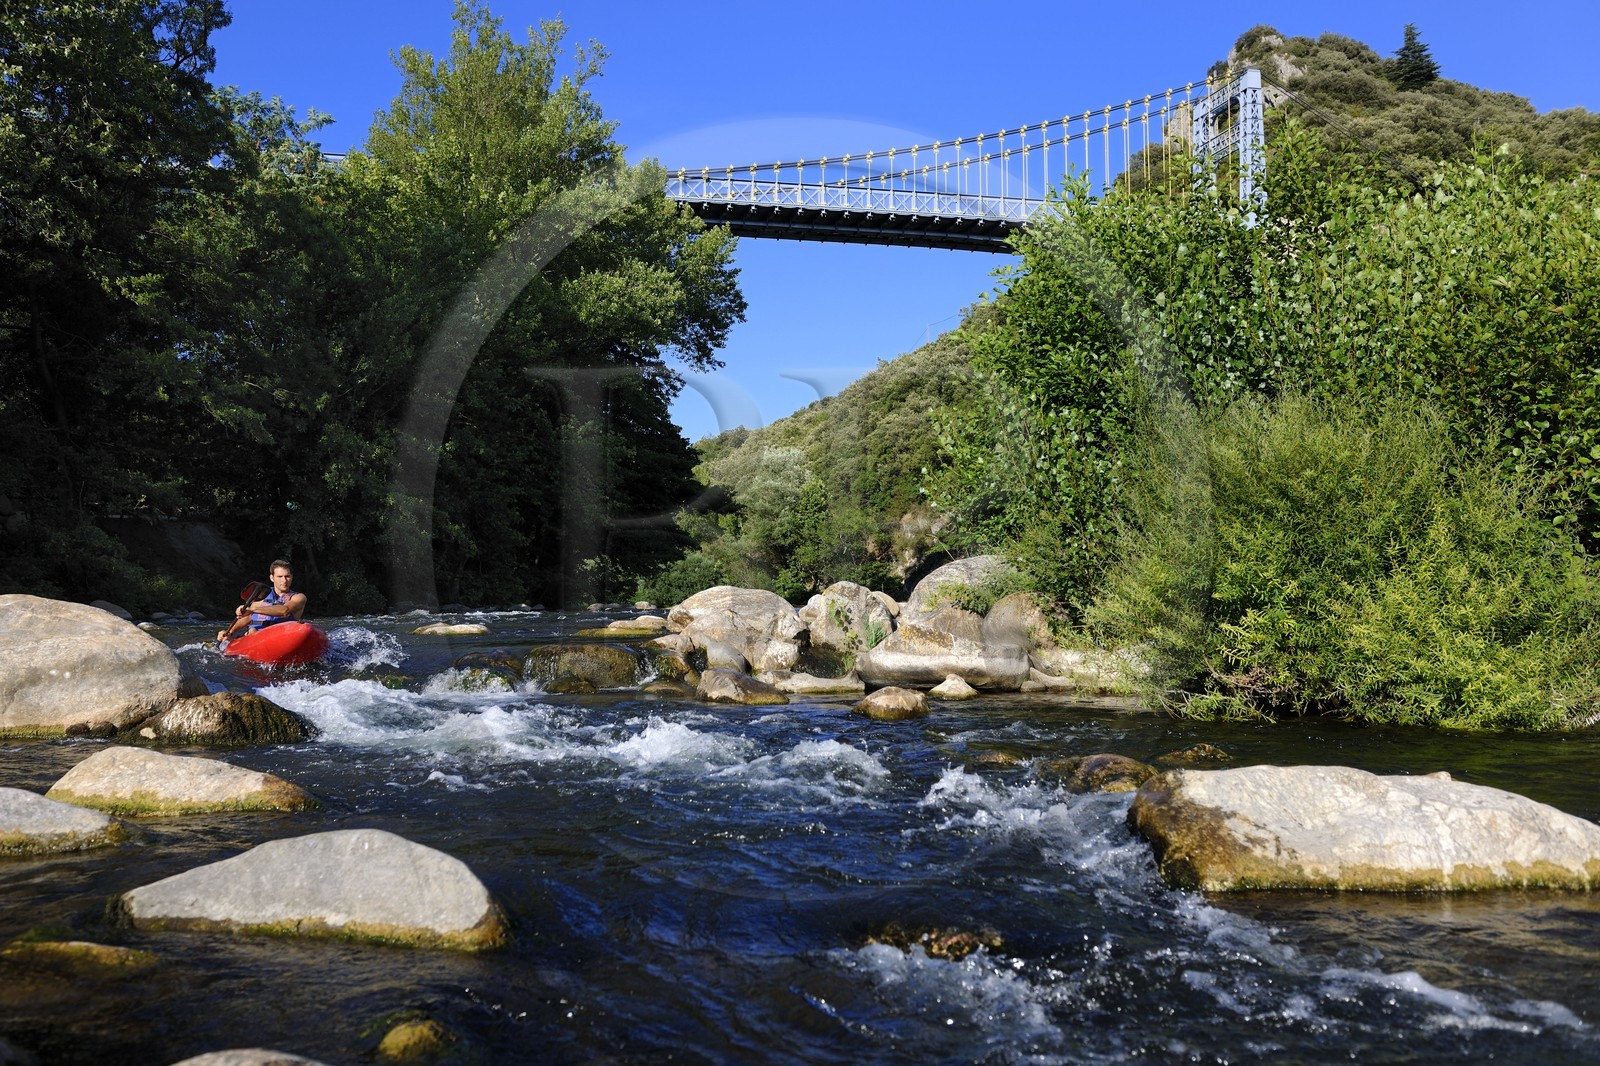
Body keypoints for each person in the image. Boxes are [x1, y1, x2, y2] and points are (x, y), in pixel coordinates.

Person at [217, 560, 307, 645]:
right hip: (256, 635)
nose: (284, 581)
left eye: (287, 576)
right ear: (272, 578)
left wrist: (252, 609)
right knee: (253, 631)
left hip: (281, 636)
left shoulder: (299, 597)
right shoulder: (261, 595)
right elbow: (248, 617)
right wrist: (229, 632)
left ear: (292, 577)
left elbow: (284, 610)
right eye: (280, 577)